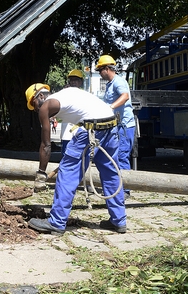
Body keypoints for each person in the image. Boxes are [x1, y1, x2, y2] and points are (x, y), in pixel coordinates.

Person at [25, 83, 127, 234]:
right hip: (110, 125)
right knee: (110, 172)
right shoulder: (68, 92)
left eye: (34, 105)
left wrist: (41, 173)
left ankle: (56, 222)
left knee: (67, 173)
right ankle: (119, 221)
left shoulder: (46, 106)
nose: (36, 110)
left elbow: (46, 145)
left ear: (40, 96)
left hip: (91, 128)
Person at [96, 55, 135, 198]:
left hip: (124, 126)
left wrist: (111, 107)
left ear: (107, 69)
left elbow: (125, 96)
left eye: (100, 70)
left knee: (122, 156)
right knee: (115, 157)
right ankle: (119, 187)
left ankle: (125, 191)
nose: (100, 73)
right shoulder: (110, 84)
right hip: (117, 126)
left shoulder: (119, 82)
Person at [60, 69, 85, 155]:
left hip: (80, 130)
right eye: (72, 80)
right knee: (65, 153)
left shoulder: (84, 95)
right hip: (67, 132)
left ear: (81, 82)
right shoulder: (64, 93)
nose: (73, 82)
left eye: (76, 80)